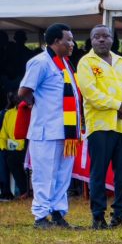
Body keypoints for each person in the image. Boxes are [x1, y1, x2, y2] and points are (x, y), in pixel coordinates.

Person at [76, 25, 122, 229]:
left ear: (113, 39)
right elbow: (90, 92)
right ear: (91, 40)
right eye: (97, 37)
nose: (102, 40)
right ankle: (98, 216)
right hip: (101, 125)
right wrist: (117, 106)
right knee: (99, 171)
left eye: (106, 36)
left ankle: (120, 214)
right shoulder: (86, 63)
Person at [18, 24, 84, 229]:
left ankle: (57, 213)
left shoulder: (64, 63)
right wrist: (36, 105)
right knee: (44, 175)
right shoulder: (40, 62)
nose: (72, 44)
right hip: (46, 130)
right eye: (69, 40)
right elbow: (24, 91)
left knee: (62, 175)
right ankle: (40, 216)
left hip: (67, 131)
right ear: (56, 41)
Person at [0, 91, 27, 200]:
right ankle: (6, 192)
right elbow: (3, 134)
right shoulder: (8, 113)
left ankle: (24, 190)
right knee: (5, 157)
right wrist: (3, 147)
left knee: (12, 158)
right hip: (12, 149)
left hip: (27, 147)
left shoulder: (29, 111)